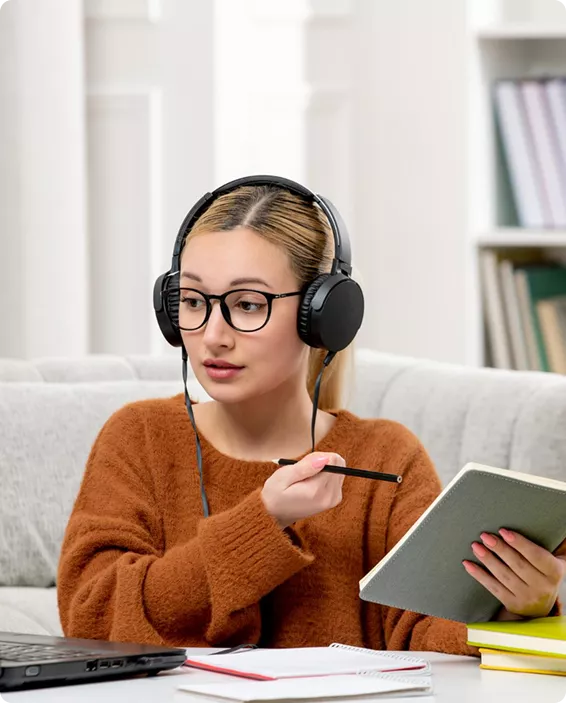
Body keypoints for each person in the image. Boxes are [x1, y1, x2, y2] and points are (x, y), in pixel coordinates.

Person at [57, 177, 566, 653]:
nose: (212, 334)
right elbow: (91, 616)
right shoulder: (139, 437)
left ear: (322, 315)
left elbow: (424, 635)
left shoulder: (387, 456)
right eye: (192, 301)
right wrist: (264, 521)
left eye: (248, 304)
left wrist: (519, 608)